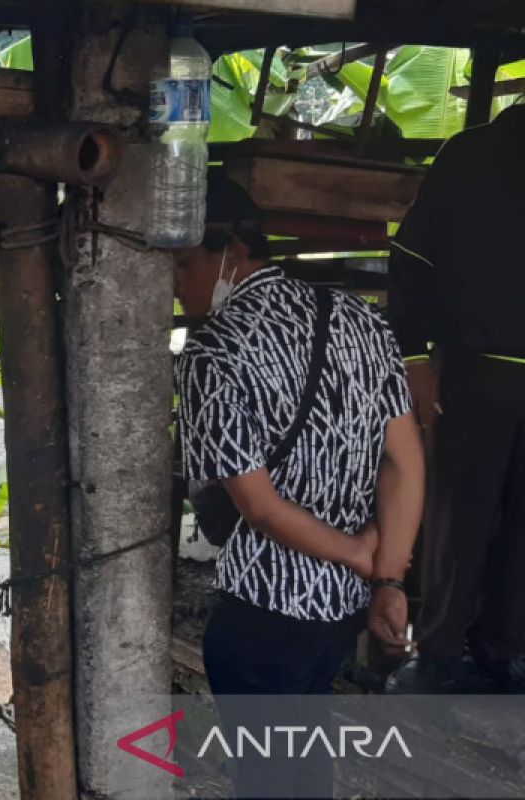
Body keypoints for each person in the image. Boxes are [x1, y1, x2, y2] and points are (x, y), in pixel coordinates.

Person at [175, 177, 425, 797]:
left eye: (181, 265)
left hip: (263, 612)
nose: (172, 285)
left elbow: (259, 509)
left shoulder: (211, 352)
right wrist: (385, 577)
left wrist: (359, 554)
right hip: (338, 613)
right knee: (305, 764)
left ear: (229, 252)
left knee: (264, 780)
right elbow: (405, 462)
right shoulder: (360, 321)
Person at [386, 99, 525, 694]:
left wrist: (418, 353)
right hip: (478, 364)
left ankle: (486, 647)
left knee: (475, 517)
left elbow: (411, 256)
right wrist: (414, 354)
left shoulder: (471, 151)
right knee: (464, 515)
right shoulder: (472, 154)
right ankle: (452, 647)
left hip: (480, 365)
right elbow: (414, 257)